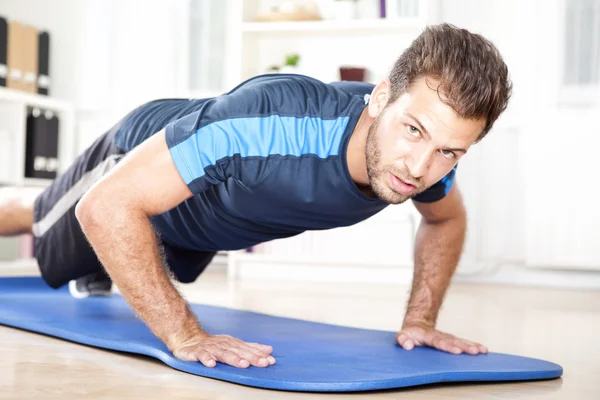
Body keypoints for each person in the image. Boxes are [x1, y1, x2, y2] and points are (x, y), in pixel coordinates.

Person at [0, 23, 511, 369]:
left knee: (151, 254)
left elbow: (446, 220)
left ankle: (103, 259)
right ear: (380, 98)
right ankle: (87, 245)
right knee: (42, 221)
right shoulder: (268, 122)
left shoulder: (428, 164)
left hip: (204, 212)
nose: (420, 169)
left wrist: (420, 320)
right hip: (133, 163)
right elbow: (107, 206)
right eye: (414, 130)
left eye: (449, 151)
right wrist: (184, 333)